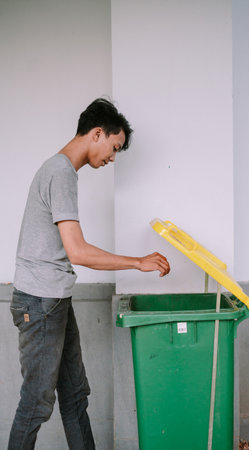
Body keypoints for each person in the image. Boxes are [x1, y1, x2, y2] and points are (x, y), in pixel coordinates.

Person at [8, 98, 170, 450]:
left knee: (75, 397)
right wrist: (137, 261)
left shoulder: (59, 171)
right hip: (40, 303)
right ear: (97, 133)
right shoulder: (61, 171)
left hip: (53, 301)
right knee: (36, 404)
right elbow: (78, 252)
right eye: (113, 147)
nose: (112, 158)